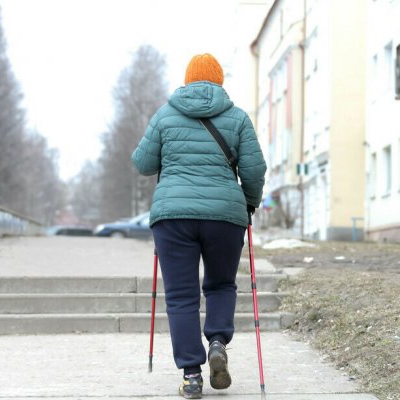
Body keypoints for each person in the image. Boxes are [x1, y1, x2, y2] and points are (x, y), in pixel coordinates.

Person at [131, 53, 266, 399]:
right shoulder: (237, 118)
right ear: (219, 81)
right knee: (221, 284)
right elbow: (254, 170)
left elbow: (143, 164)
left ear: (187, 81)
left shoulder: (165, 115)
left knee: (181, 296)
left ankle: (192, 375)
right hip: (224, 216)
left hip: (173, 217)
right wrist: (248, 203)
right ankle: (218, 341)